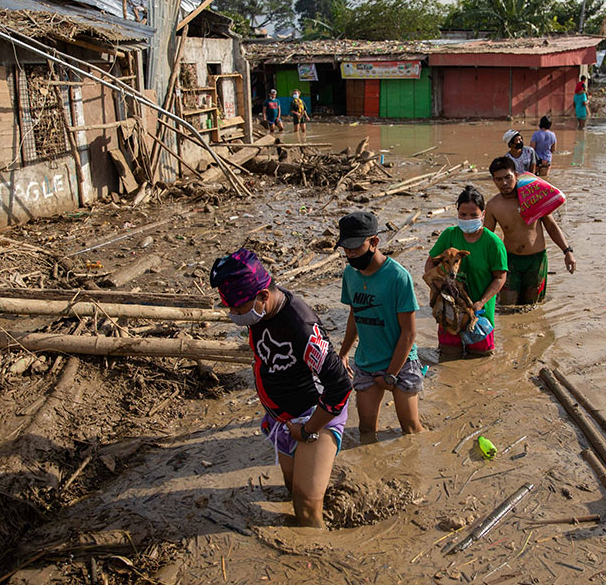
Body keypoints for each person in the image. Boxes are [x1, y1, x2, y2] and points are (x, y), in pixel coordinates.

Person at [210, 249, 351, 528]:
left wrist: (309, 429)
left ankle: (315, 560)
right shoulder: (263, 311)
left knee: (308, 507)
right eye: (231, 309)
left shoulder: (301, 326)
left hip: (314, 414)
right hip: (283, 418)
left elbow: (340, 386)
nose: (235, 316)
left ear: (263, 296)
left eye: (239, 310)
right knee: (291, 489)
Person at [336, 211, 423, 441]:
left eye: (356, 247)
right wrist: (344, 353)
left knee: (411, 430)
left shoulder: (398, 277)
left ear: (374, 242)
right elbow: (355, 315)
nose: (351, 254)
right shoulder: (350, 275)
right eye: (346, 248)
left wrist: (391, 375)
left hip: (401, 363)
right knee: (365, 430)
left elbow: (409, 332)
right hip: (367, 363)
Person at [424, 186, 507, 358]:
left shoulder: (493, 243)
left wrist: (481, 302)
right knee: (448, 356)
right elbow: (431, 262)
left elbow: (500, 277)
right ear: (457, 213)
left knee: (480, 357)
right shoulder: (449, 235)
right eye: (463, 215)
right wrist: (438, 287)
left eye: (473, 215)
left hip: (479, 311)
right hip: (449, 308)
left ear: (483, 215)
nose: (467, 219)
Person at [485, 157, 576, 305]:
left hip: (536, 260)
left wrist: (567, 251)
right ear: (494, 181)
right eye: (499, 179)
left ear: (515, 174)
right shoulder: (493, 206)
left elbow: (551, 226)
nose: (504, 183)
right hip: (509, 261)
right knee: (507, 306)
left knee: (532, 306)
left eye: (508, 177)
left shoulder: (531, 196)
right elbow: (487, 238)